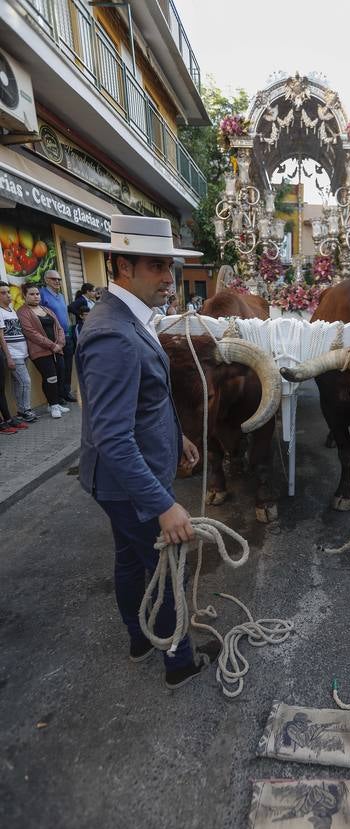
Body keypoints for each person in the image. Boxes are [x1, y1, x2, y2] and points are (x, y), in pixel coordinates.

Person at [76, 214, 219, 690]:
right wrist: (163, 504)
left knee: (129, 558)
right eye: (157, 266)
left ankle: (139, 638)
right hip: (130, 485)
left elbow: (143, 400)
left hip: (124, 481)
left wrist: (176, 436)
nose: (168, 279)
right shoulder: (112, 334)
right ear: (121, 267)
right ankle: (179, 662)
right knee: (164, 566)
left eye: (171, 267)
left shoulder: (127, 320)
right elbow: (113, 438)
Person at [17, 283, 68, 419]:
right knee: (50, 377)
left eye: (37, 294)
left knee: (60, 374)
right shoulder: (22, 312)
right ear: (24, 296)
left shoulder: (46, 309)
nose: (35, 296)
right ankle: (53, 406)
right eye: (32, 294)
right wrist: (52, 345)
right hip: (40, 351)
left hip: (57, 349)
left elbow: (59, 327)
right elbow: (31, 333)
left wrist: (60, 343)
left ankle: (54, 403)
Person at [0, 281, 37, 424]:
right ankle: (25, 410)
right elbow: (1, 337)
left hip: (23, 352)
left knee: (19, 383)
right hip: (13, 354)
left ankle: (22, 411)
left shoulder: (11, 310)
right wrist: (8, 357)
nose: (8, 295)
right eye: (3, 293)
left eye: (8, 292)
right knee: (25, 382)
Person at [39, 269, 76, 403]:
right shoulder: (42, 294)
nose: (57, 281)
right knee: (59, 368)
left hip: (67, 335)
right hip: (54, 339)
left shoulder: (60, 295)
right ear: (46, 280)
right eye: (54, 279)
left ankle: (66, 392)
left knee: (68, 367)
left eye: (59, 279)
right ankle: (59, 396)